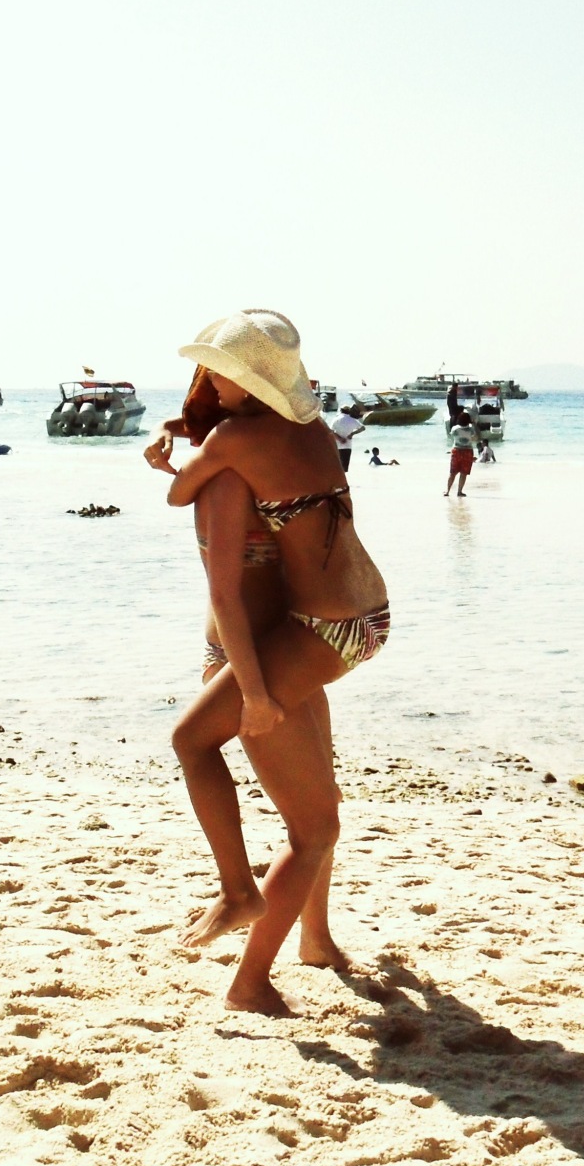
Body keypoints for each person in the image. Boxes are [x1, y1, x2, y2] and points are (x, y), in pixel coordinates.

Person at [144, 309, 389, 1017]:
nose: (210, 380)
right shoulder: (305, 430)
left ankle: (246, 954)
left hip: (305, 633)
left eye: (220, 371)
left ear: (247, 385)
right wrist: (178, 430)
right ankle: (314, 939)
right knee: (319, 808)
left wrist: (252, 691)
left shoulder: (228, 457)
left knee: (225, 765)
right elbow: (212, 435)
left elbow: (180, 496)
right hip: (342, 622)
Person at [160, 365, 346, 969]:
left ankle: (313, 938)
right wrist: (255, 688)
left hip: (278, 647)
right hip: (252, 656)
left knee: (320, 807)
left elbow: (190, 467)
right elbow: (226, 593)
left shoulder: (240, 460)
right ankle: (252, 961)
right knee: (313, 823)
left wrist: (170, 432)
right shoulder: (231, 474)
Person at [328, 405, 364, 472]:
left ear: (341, 411)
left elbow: (330, 431)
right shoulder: (352, 420)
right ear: (349, 411)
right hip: (347, 446)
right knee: (344, 468)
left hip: (337, 446)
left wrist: (340, 439)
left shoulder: (335, 419)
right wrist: (352, 434)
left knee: (337, 467)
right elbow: (363, 428)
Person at [445, 419, 475, 496]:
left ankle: (447, 491)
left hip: (456, 450)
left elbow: (451, 435)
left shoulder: (455, 428)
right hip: (468, 451)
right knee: (464, 473)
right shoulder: (471, 428)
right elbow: (475, 437)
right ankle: (459, 491)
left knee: (452, 473)